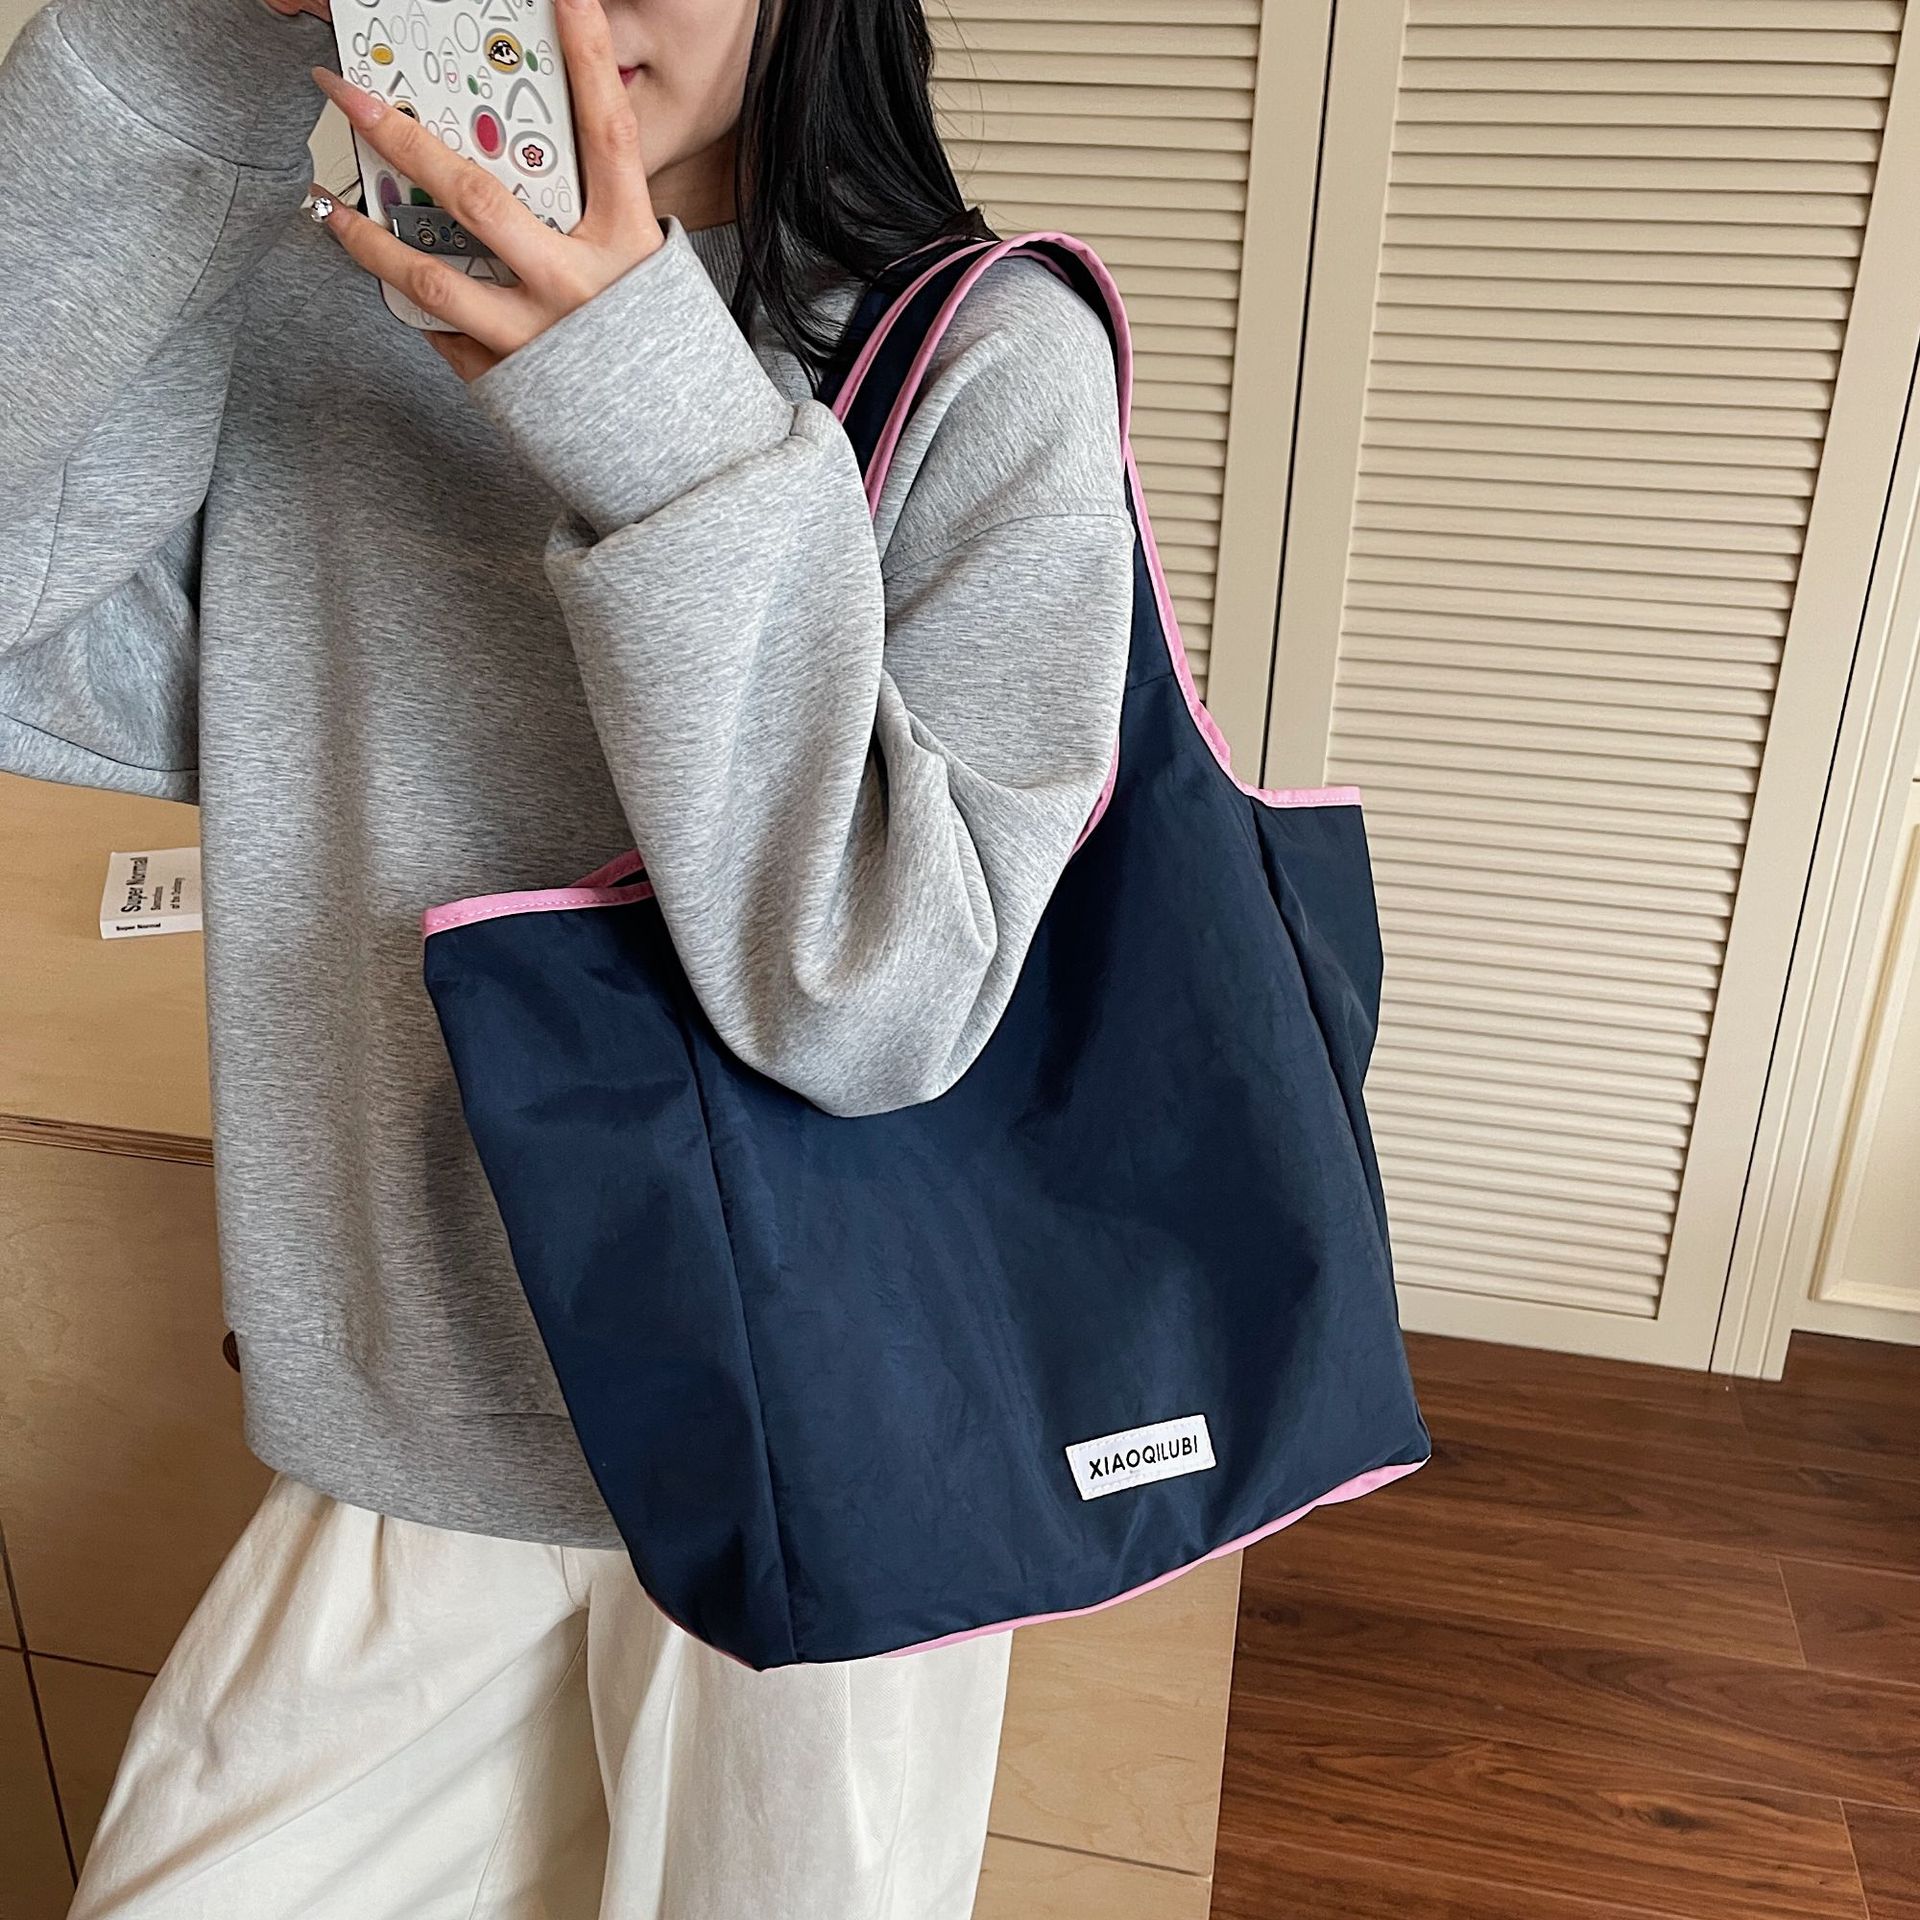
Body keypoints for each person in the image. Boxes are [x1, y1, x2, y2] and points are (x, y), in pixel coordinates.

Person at [0, 0, 1135, 1912]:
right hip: (412, 1441)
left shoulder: (984, 353)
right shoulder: (331, 314)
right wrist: (178, 43)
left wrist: (645, 408)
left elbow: (883, 1003)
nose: (568, 4)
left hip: (828, 1443)